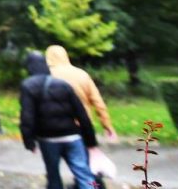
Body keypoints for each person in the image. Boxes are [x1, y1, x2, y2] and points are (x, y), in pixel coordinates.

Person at [20, 50, 99, 189]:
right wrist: (90, 141)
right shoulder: (63, 84)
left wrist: (29, 142)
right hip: (73, 137)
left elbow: (27, 117)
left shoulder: (28, 85)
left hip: (48, 139)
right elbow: (82, 115)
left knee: (53, 175)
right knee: (83, 174)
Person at [46, 45, 117, 141]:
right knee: (80, 154)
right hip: (82, 125)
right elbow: (97, 102)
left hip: (53, 127)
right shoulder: (82, 74)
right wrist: (107, 125)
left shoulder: (45, 77)